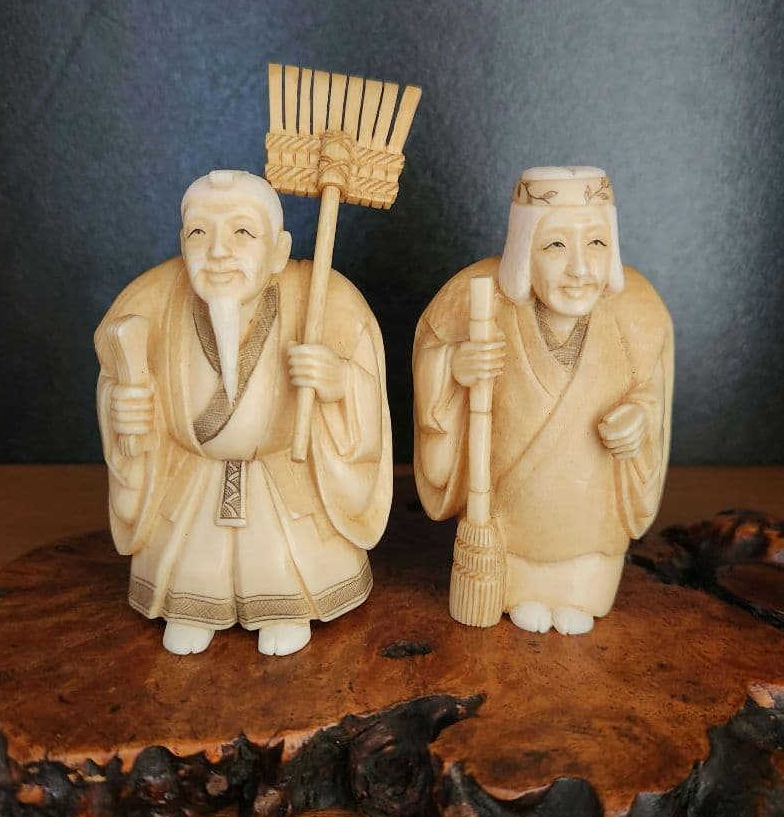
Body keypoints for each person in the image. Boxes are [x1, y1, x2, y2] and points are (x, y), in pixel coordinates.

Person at [95, 169, 391, 656]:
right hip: (190, 482)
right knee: (190, 564)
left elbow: (366, 390)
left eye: (242, 232)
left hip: (286, 481)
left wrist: (339, 383)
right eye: (199, 232)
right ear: (181, 243)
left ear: (278, 250)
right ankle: (191, 608)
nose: (218, 251)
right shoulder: (153, 299)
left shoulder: (325, 297)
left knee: (283, 561)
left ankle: (287, 608)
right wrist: (124, 407)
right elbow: (116, 373)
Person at [413, 167, 673, 635]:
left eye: (596, 243)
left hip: (592, 532)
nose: (579, 268)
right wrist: (453, 368)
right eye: (555, 245)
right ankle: (520, 587)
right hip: (508, 535)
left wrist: (641, 417)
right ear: (522, 249)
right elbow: (432, 354)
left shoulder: (638, 311)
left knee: (584, 589)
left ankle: (580, 587)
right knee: (519, 585)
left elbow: (651, 392)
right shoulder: (478, 299)